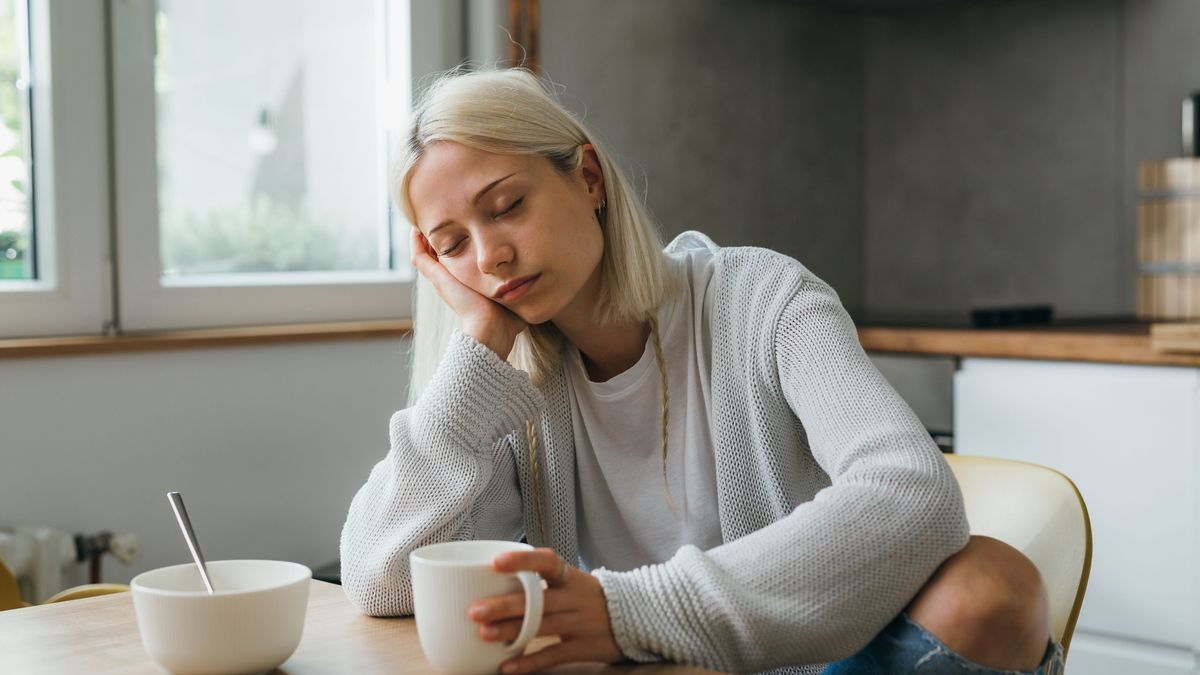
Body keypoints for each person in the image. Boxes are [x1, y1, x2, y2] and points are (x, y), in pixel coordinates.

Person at [340, 67, 1062, 674]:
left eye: (508, 206)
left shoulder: (763, 298)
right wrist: (474, 352)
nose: (489, 255)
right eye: (452, 243)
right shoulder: (505, 386)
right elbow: (380, 578)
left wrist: (628, 610)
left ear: (588, 177)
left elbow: (914, 492)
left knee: (994, 586)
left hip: (808, 662)